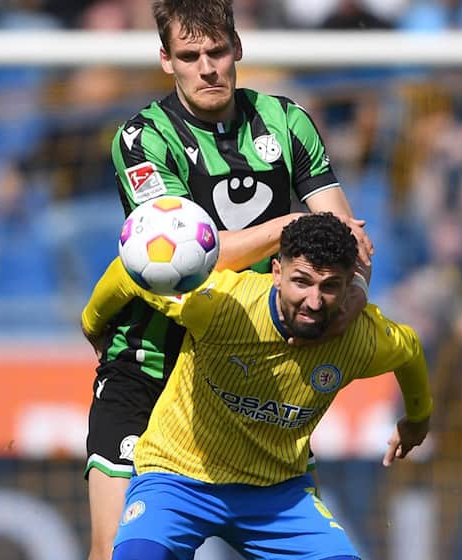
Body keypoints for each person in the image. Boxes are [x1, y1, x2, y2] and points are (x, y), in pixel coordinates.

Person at [86, 1, 374, 557]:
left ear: (238, 48)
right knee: (116, 549)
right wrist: (293, 226)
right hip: (150, 367)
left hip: (247, 373)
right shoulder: (142, 138)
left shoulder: (288, 122)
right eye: (190, 56)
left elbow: (350, 243)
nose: (207, 67)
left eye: (217, 51)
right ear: (166, 60)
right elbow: (183, 260)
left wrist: (354, 297)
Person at [81, 213, 432, 560]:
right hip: (177, 479)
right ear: (277, 272)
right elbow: (133, 272)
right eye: (302, 281)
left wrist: (418, 419)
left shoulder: (361, 339)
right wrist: (92, 321)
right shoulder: (220, 304)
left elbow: (410, 350)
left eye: (329, 287)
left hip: (277, 495)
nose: (313, 301)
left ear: (347, 289)